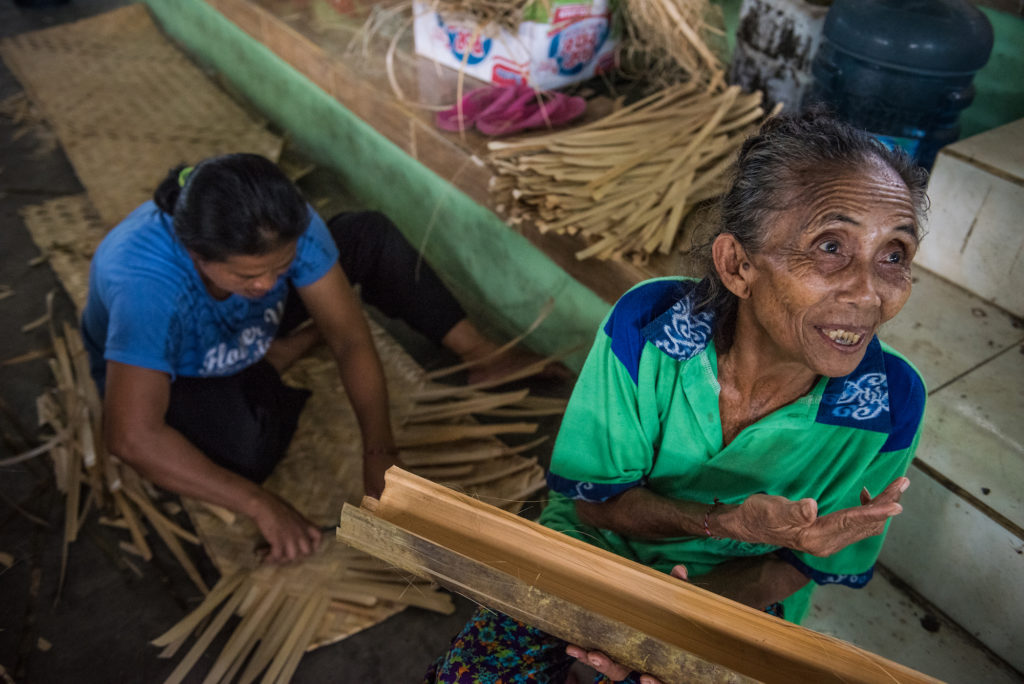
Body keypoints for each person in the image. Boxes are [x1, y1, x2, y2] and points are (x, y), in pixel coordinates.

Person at [425, 111, 929, 683]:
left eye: (894, 254)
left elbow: (796, 565)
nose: (869, 292)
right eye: (830, 246)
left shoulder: (888, 403)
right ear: (738, 266)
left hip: (731, 601)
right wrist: (731, 522)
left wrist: (665, 623)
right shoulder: (652, 329)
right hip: (594, 550)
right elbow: (596, 503)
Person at [81, 153, 554, 564]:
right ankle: (278, 355)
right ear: (195, 253)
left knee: (369, 236)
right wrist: (261, 505)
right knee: (243, 452)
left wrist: (381, 454)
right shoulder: (147, 283)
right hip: (183, 367)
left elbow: (349, 339)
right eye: (247, 274)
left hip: (244, 327)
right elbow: (131, 436)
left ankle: (480, 354)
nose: (266, 285)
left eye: (280, 268)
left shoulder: (286, 226)